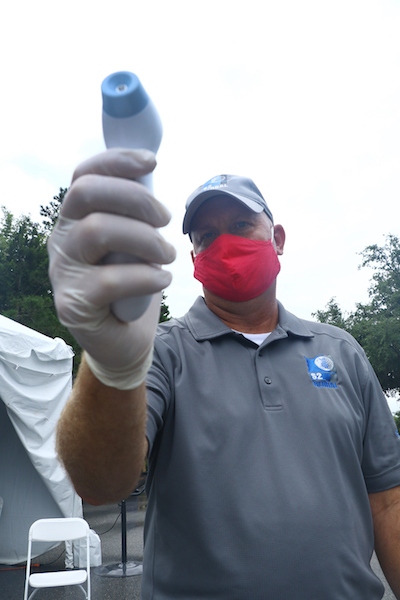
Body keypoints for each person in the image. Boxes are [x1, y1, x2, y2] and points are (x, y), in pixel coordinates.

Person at [48, 148, 400, 600]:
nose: (225, 244)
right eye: (208, 236)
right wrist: (109, 362)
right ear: (194, 257)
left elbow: (388, 500)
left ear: (277, 238)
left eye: (240, 225)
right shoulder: (159, 353)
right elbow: (99, 484)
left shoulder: (341, 352)